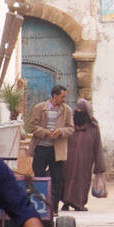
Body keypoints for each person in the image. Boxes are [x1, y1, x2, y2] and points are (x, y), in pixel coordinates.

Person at [28, 85, 74, 213]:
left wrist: (60, 131)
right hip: (41, 147)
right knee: (38, 176)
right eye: (62, 96)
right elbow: (32, 126)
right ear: (55, 96)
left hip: (57, 150)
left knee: (57, 179)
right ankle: (40, 205)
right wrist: (46, 132)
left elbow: (71, 128)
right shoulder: (39, 108)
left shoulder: (67, 110)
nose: (64, 99)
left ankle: (53, 207)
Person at [62, 98, 106, 211]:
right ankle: (65, 202)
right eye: (76, 109)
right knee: (66, 179)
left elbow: (97, 146)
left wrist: (99, 166)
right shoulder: (70, 125)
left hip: (85, 161)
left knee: (82, 181)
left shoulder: (93, 127)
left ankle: (79, 203)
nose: (77, 111)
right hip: (68, 160)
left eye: (80, 110)